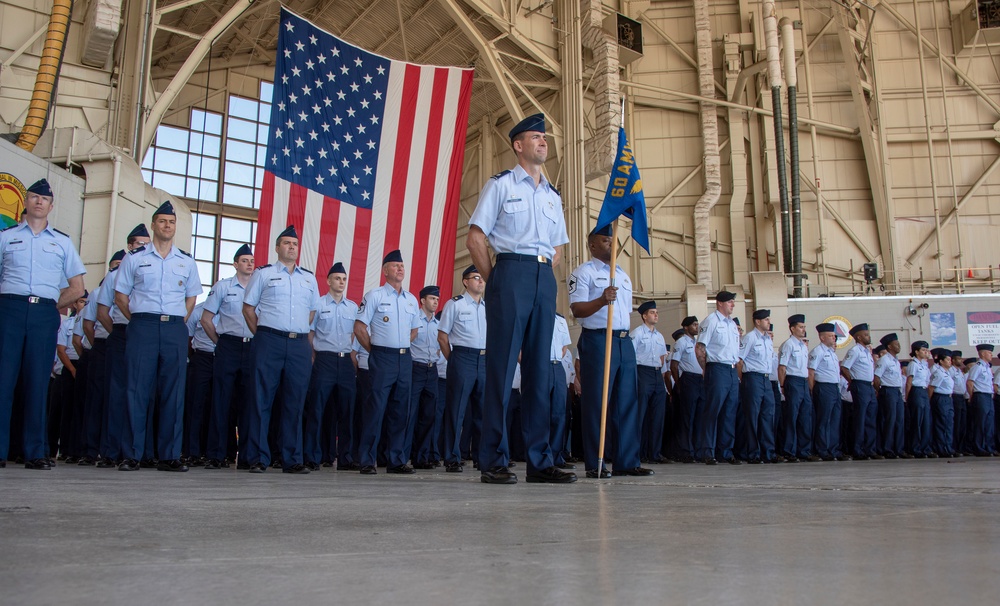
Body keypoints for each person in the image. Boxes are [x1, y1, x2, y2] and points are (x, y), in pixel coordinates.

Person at [466, 113, 569, 485]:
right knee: (502, 370)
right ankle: (493, 458)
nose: (543, 142)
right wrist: (495, 282)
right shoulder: (502, 185)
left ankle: (540, 461)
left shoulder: (552, 195)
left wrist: (545, 270)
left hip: (543, 278)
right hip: (509, 274)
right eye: (536, 137)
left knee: (539, 373)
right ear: (518, 145)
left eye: (545, 137)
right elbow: (476, 238)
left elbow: (558, 245)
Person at [0, 178, 86, 470]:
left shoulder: (62, 242)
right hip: (8, 310)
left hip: (44, 314)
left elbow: (77, 287)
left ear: (51, 206)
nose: (39, 202)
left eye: (44, 199)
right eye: (34, 197)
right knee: (3, 382)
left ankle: (35, 451)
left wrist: (51, 303)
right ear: (26, 202)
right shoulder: (6, 236)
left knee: (38, 383)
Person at [113, 201, 202, 472]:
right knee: (136, 390)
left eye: (172, 222)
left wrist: (177, 321)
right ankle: (132, 454)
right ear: (153, 224)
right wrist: (140, 319)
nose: (167, 226)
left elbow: (191, 297)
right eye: (162, 221)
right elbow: (120, 296)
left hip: (175, 327)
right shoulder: (135, 258)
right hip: (143, 326)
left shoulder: (186, 261)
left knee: (173, 393)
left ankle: (169, 455)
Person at [569, 225, 648, 479]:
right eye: (605, 240)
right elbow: (577, 310)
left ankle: (627, 461)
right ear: (592, 245)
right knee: (597, 402)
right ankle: (596, 462)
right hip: (598, 339)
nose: (611, 244)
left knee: (626, 401)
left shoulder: (623, 275)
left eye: (613, 240)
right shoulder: (584, 273)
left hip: (624, 341)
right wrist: (602, 300)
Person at [242, 225, 320, 474]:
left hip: (298, 344)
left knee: (295, 402)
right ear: (277, 248)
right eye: (286, 243)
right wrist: (264, 334)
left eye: (295, 244)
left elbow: (311, 312)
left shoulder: (309, 278)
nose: (291, 247)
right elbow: (248, 308)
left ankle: (292, 458)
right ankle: (257, 458)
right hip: (268, 340)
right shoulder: (263, 274)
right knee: (260, 399)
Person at [354, 249, 421, 475]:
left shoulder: (411, 299)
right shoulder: (375, 296)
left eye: (402, 265)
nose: (400, 269)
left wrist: (401, 346)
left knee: (401, 411)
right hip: (382, 357)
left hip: (404, 358)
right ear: (385, 271)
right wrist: (375, 350)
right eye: (395, 265)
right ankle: (367, 460)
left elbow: (414, 330)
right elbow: (359, 327)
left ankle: (396, 460)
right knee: (375, 410)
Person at [96, 225, 151, 467]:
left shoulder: (154, 271)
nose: (143, 248)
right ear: (129, 246)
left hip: (148, 333)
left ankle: (143, 451)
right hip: (123, 332)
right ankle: (111, 451)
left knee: (146, 393)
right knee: (118, 393)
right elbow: (102, 312)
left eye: (146, 244)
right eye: (139, 244)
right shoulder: (115, 275)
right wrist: (127, 326)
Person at [201, 243, 256, 469]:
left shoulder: (259, 288)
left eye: (252, 261)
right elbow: (206, 319)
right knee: (222, 401)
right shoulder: (223, 287)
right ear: (235, 264)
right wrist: (220, 343)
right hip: (228, 346)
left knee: (248, 403)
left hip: (252, 347)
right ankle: (217, 454)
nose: (249, 264)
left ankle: (245, 456)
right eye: (244, 260)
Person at [303, 262, 359, 471]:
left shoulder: (353, 307)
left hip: (345, 361)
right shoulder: (318, 304)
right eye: (337, 278)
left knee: (347, 411)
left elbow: (355, 334)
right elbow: (310, 332)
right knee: (316, 410)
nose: (341, 282)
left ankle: (344, 458)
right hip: (324, 360)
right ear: (328, 281)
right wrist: (314, 358)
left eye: (344, 279)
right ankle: (312, 456)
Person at [438, 267, 489, 474]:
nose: (481, 281)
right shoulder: (455, 304)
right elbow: (442, 337)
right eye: (476, 278)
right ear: (465, 282)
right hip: (462, 357)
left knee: (482, 412)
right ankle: (451, 457)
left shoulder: (488, 307)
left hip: (484, 359)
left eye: (482, 278)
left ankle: (480, 456)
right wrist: (455, 361)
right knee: (456, 411)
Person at [695, 291, 742, 465]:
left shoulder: (731, 324)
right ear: (720, 303)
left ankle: (726, 451)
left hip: (731, 369)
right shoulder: (711, 321)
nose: (733, 304)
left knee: (729, 412)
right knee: (712, 411)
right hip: (717, 369)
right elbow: (700, 348)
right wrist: (706, 370)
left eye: (733, 302)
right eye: (730, 302)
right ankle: (707, 451)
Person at [736, 309, 776, 463]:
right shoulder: (750, 338)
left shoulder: (767, 339)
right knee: (752, 416)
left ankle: (769, 453)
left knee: (768, 415)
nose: (768, 322)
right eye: (766, 319)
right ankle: (753, 453)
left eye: (769, 319)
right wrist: (743, 380)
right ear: (757, 321)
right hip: (752, 378)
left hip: (766, 379)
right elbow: (739, 360)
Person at [631, 301, 669, 464]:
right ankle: (637, 453)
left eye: (656, 312)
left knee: (657, 415)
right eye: (652, 312)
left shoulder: (660, 336)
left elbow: (662, 358)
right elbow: (630, 358)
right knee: (640, 415)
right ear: (644, 316)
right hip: (642, 372)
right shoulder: (637, 333)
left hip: (656, 373)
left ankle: (654, 453)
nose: (656, 315)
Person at [408, 285, 441, 469]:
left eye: (437, 299)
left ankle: (421, 457)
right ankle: (402, 455)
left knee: (429, 415)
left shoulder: (438, 324)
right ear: (422, 301)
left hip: (432, 369)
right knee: (410, 413)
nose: (435, 302)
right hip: (415, 368)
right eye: (432, 298)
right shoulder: (414, 320)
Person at [778, 314, 818, 462]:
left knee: (805, 417)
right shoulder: (789, 344)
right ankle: (790, 450)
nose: (803, 330)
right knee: (792, 417)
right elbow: (782, 367)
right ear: (792, 328)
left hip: (803, 381)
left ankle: (804, 450)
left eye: (804, 327)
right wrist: (783, 385)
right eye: (800, 327)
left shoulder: (802, 345)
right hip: (793, 381)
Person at [184, 302, 216, 465]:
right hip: (202, 357)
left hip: (224, 358)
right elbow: (188, 339)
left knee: (218, 406)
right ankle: (192, 452)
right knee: (196, 405)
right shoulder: (198, 311)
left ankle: (214, 452)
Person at [809, 323, 845, 461]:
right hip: (824, 387)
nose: (833, 338)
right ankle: (822, 449)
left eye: (834, 336)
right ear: (822, 337)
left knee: (835, 420)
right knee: (824, 419)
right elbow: (811, 372)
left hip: (834, 388)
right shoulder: (818, 352)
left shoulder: (832, 353)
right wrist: (813, 390)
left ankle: (833, 449)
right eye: (830, 336)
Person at [841, 324, 877, 460]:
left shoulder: (867, 352)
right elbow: (844, 367)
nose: (869, 337)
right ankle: (857, 449)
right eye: (866, 335)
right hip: (860, 385)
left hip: (869, 386)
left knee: (870, 418)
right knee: (860, 418)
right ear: (859, 337)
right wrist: (852, 381)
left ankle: (870, 449)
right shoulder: (855, 351)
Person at [671, 317, 701, 463]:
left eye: (697, 324)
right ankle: (685, 451)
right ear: (686, 327)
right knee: (687, 418)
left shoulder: (698, 343)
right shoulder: (681, 342)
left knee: (698, 417)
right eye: (694, 325)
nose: (697, 327)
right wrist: (679, 384)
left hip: (699, 380)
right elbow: (674, 365)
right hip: (688, 379)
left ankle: (695, 449)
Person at [874, 333, 904, 459]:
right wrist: (880, 392)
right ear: (889, 346)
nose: (899, 346)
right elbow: (876, 378)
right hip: (888, 391)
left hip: (897, 392)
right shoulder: (884, 360)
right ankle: (887, 448)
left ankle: (898, 448)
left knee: (899, 420)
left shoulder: (896, 361)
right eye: (896, 344)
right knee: (889, 421)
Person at [905, 341, 934, 458]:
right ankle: (915, 448)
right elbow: (909, 382)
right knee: (917, 421)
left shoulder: (924, 365)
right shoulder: (914, 364)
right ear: (916, 352)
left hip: (923, 391)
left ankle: (925, 448)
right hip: (916, 391)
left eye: (926, 350)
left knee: (926, 421)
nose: (925, 352)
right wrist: (908, 397)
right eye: (923, 350)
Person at [965, 344, 995, 456]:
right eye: (989, 352)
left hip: (988, 396)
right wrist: (973, 397)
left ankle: (988, 446)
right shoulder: (977, 367)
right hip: (980, 395)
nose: (991, 354)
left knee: (989, 423)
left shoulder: (987, 368)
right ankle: (979, 447)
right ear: (982, 353)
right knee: (980, 423)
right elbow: (969, 383)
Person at [928, 348, 956, 457]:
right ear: (941, 361)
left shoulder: (947, 373)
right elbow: (931, 388)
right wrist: (930, 401)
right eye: (948, 360)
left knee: (949, 424)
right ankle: (942, 448)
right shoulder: (938, 372)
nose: (950, 362)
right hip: (940, 398)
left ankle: (948, 447)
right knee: (942, 424)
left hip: (948, 399)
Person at [949, 351, 967, 456]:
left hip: (962, 397)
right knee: (956, 423)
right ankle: (954, 447)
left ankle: (961, 447)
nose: (961, 360)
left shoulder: (959, 371)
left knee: (962, 424)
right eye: (959, 359)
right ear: (953, 360)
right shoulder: (951, 370)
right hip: (955, 397)